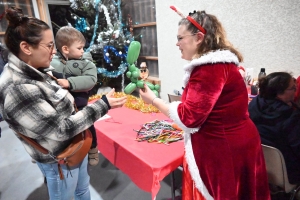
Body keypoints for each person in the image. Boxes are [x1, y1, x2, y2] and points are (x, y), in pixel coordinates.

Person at [139, 8, 270, 200]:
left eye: (180, 38)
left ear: (199, 38)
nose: (177, 43)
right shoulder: (219, 65)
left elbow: (188, 118)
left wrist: (153, 100)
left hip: (225, 149)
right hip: (236, 142)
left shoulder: (209, 69)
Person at [0, 7, 126, 200]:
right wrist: (103, 104)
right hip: (60, 157)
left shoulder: (36, 67)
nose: (54, 52)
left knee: (82, 189)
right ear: (26, 48)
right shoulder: (19, 88)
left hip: (76, 145)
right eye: (49, 46)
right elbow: (60, 130)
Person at [50, 26, 99, 166]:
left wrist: (70, 82)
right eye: (79, 48)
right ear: (65, 49)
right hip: (61, 103)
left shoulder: (86, 63)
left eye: (83, 47)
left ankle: (93, 148)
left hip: (80, 102)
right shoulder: (53, 62)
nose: (83, 51)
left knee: (87, 125)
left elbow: (90, 80)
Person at [248, 72, 300, 184]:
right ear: (279, 93)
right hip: (288, 171)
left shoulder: (254, 104)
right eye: (292, 88)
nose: (296, 90)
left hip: (260, 164)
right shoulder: (289, 117)